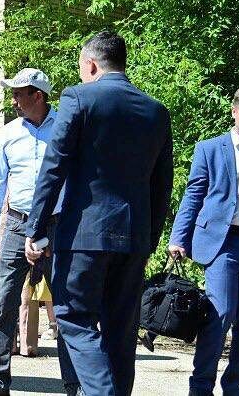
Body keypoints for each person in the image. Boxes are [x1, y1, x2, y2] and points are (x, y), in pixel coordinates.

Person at [23, 30, 174, 396]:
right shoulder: (155, 110)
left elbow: (53, 167)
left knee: (74, 319)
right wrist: (149, 238)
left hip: (85, 235)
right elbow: (162, 183)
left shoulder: (79, 97)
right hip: (135, 238)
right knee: (122, 331)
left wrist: (35, 228)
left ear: (90, 64)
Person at [0, 68, 78, 396]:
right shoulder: (7, 134)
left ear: (38, 96)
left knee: (67, 304)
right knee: (4, 300)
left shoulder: (66, 129)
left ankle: (74, 384)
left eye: (19, 93)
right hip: (16, 224)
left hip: (59, 225)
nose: (13, 99)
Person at [168, 84, 239, 396]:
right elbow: (193, 195)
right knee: (220, 314)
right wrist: (178, 237)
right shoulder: (211, 149)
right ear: (235, 112)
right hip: (224, 244)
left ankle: (235, 387)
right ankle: (201, 388)